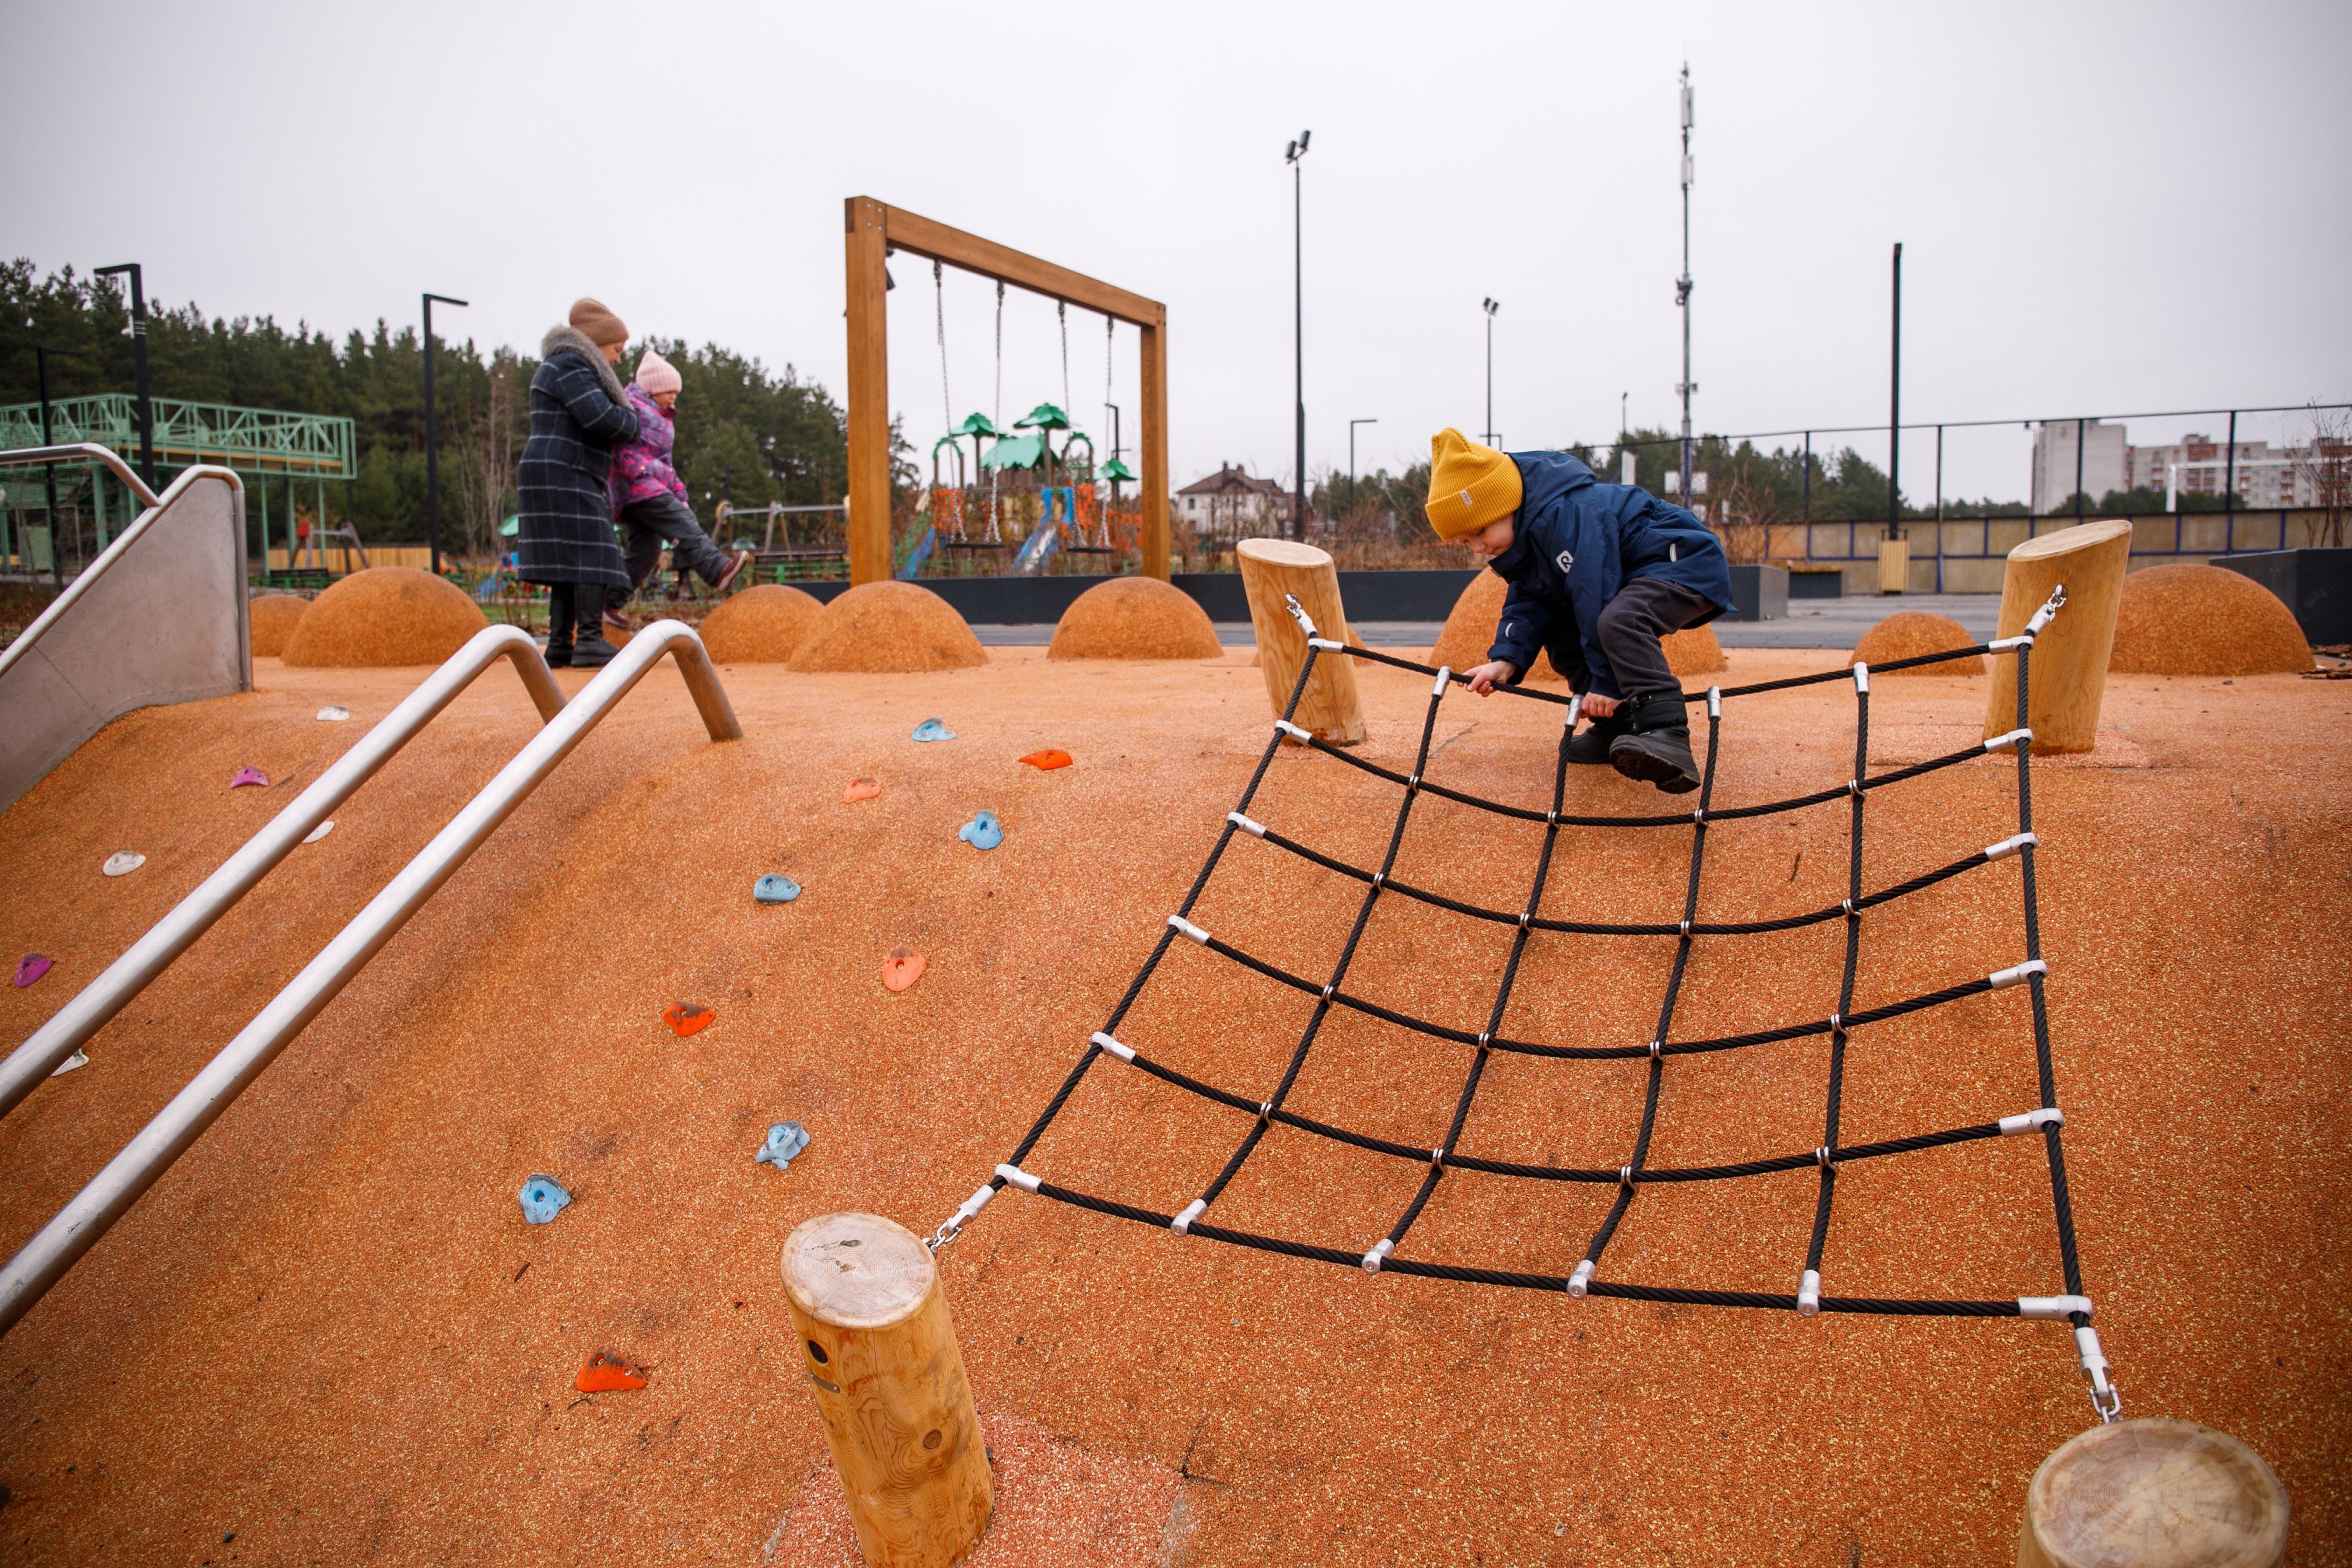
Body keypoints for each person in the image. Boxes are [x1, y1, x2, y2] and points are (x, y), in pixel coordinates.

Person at [1427, 428, 1734, 794]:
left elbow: (1596, 589)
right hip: (1632, 573)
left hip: (1679, 560)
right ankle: (1616, 726)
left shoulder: (1568, 512)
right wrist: (1507, 659)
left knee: (1621, 620)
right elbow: (1529, 601)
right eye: (1465, 541)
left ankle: (1666, 730)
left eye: (1479, 530)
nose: (1477, 547)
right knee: (1560, 629)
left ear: (1506, 503)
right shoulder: (1522, 542)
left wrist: (1606, 683)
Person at [517, 298, 638, 668]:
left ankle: (559, 645)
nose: (617, 360)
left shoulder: (559, 365)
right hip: (564, 470)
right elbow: (601, 417)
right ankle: (589, 640)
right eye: (616, 350)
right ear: (597, 343)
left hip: (554, 469)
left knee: (564, 561)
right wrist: (631, 419)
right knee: (594, 551)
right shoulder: (571, 364)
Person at [603, 349, 750, 632]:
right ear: (652, 388)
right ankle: (715, 569)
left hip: (647, 487)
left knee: (646, 551)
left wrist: (679, 494)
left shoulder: (659, 415)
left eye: (676, 392)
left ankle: (609, 601)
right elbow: (627, 455)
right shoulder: (634, 409)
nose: (673, 396)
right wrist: (659, 477)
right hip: (638, 487)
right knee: (683, 525)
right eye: (668, 390)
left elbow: (665, 462)